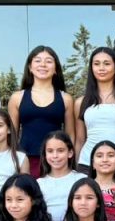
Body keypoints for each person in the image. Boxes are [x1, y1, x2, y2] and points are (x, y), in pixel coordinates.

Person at [7, 46, 75, 177]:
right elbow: (11, 135)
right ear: (30, 67)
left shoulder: (66, 99)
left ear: (56, 69)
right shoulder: (17, 98)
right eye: (37, 61)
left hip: (57, 161)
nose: (43, 65)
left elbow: (70, 135)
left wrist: (71, 162)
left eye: (49, 61)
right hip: (26, 160)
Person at [76, 47, 115, 183]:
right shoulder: (81, 102)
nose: (101, 68)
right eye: (96, 64)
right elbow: (80, 140)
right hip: (87, 165)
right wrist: (75, 171)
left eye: (107, 63)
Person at [36, 131, 85, 221]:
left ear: (70, 153)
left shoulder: (81, 179)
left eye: (60, 150)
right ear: (45, 154)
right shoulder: (39, 183)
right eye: (50, 151)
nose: (55, 156)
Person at [89, 140, 115, 221]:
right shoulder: (83, 188)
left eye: (110, 155)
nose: (105, 160)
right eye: (99, 156)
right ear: (93, 163)